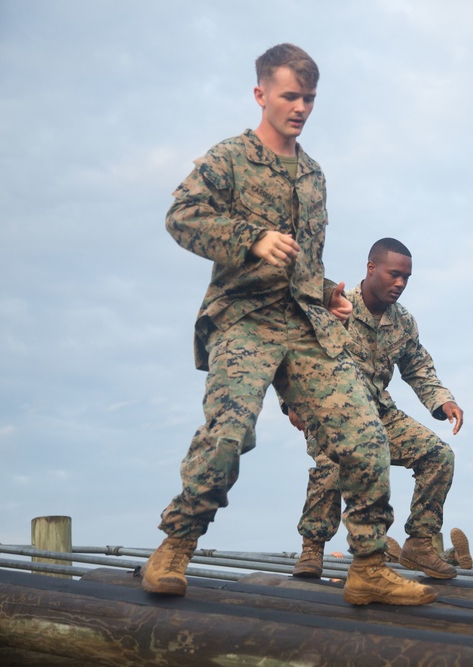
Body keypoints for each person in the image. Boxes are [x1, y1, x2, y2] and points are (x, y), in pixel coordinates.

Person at [140, 44, 435, 606]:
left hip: (304, 327)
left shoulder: (314, 175)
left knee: (366, 436)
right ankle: (176, 545)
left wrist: (328, 294)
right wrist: (249, 237)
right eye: (289, 96)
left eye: (309, 98)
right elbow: (182, 217)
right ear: (261, 95)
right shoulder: (230, 158)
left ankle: (370, 565)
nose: (299, 107)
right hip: (244, 321)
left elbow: (306, 264)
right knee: (227, 437)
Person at [286, 238, 467, 579]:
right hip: (331, 413)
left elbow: (418, 367)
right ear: (371, 268)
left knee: (439, 456)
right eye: (394, 274)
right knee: (332, 465)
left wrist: (444, 401)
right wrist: (292, 402)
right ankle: (313, 548)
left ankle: (420, 544)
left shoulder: (403, 321)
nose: (400, 283)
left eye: (407, 278)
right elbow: (296, 354)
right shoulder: (336, 307)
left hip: (380, 413)